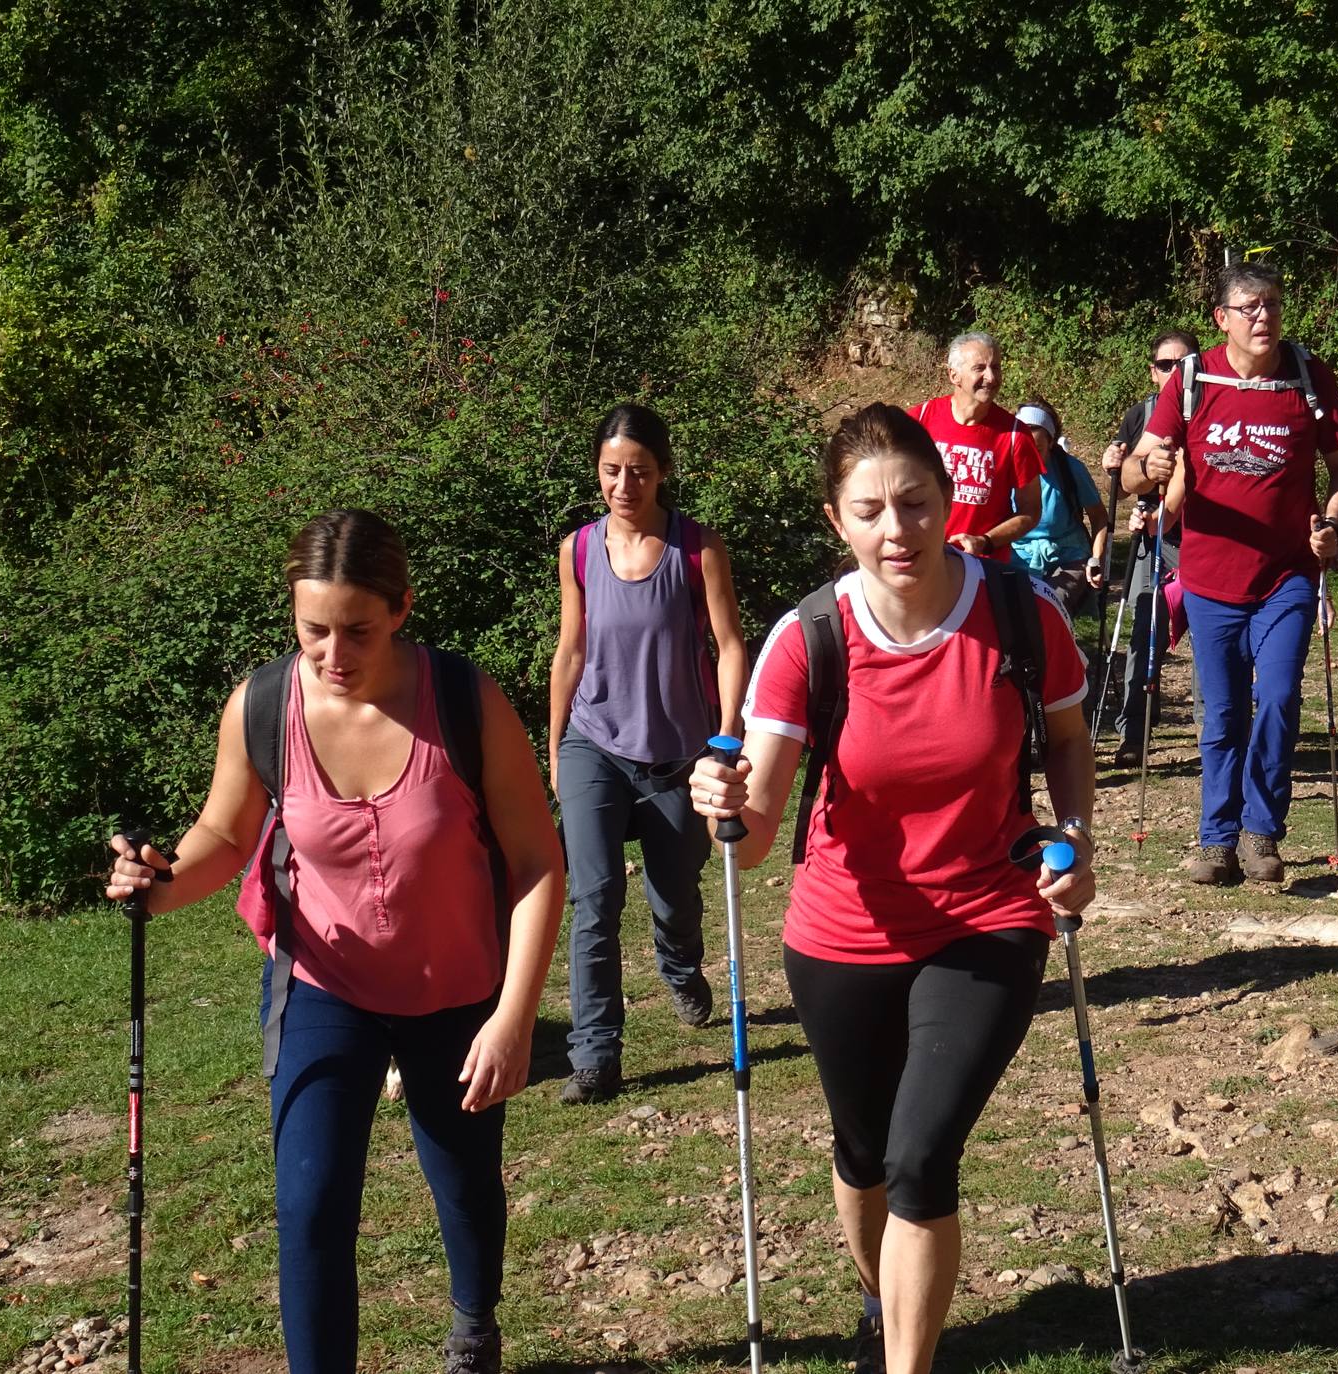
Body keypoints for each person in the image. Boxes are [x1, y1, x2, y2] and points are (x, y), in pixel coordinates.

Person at [104, 509, 565, 1374]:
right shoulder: (266, 704)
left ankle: (474, 1325)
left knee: (463, 1185)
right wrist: (157, 883)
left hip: (458, 993)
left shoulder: (465, 700)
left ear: (400, 608)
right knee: (310, 1205)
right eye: (312, 629)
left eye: (356, 629)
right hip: (325, 987)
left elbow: (540, 861)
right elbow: (225, 837)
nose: (331, 654)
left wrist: (513, 1017)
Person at [687, 403, 1095, 1374]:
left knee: (921, 1155)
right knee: (863, 1155)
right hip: (843, 932)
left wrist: (1073, 837)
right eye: (867, 510)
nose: (894, 529)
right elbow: (750, 843)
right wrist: (723, 803)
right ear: (837, 521)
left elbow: (1069, 740)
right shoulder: (805, 639)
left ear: (947, 502)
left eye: (912, 503)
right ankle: (880, 1299)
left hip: (986, 917)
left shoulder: (1017, 616)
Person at [1122, 263, 1338, 886]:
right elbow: (1130, 479)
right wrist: (1150, 469)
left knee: (1279, 698)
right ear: (1221, 319)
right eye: (1250, 308)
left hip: (1286, 575)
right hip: (1208, 578)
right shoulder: (1192, 379)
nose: (1264, 317)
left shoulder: (1306, 376)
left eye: (1273, 305)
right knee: (1224, 712)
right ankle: (1215, 839)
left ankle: (1261, 832)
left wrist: (1331, 524)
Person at [548, 403, 749, 1104]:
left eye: (638, 471)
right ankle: (595, 1056)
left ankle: (680, 966)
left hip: (678, 755)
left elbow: (728, 645)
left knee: (674, 898)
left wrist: (727, 739)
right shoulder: (578, 550)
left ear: (662, 472)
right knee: (594, 899)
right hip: (592, 743)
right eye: (610, 471)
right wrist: (554, 745)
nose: (623, 484)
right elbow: (570, 650)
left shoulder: (698, 549)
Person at [1101, 330, 1204, 766]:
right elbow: (1125, 482)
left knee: (1207, 636)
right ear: (1153, 370)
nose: (1174, 373)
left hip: (1203, 540)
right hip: (1153, 539)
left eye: (1183, 365)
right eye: (1165, 365)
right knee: (1145, 633)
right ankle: (1134, 732)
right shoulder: (1140, 414)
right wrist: (1118, 464)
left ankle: (1209, 730)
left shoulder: (1213, 411)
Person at [910, 331, 1043, 561]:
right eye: (979, 368)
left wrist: (986, 542)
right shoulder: (920, 420)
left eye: (996, 367)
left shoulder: (1015, 435)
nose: (991, 377)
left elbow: (1030, 511)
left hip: (981, 570)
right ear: (954, 375)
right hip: (922, 562)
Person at [1009, 395, 1109, 612]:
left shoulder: (1070, 470)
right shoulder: (1004, 471)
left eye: (1038, 449)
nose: (1030, 457)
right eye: (1024, 449)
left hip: (1068, 557)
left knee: (1049, 607)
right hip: (1018, 557)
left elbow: (1099, 517)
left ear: (1052, 443)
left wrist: (1096, 559)